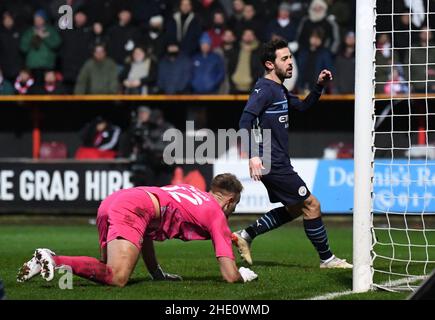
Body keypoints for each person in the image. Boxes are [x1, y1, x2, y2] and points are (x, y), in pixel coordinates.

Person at [232, 39, 352, 269]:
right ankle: (327, 259)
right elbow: (244, 121)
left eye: (290, 58)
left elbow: (304, 107)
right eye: (284, 59)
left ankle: (246, 235)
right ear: (269, 64)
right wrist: (254, 155)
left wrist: (318, 86)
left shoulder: (279, 89)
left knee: (296, 208)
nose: (290, 63)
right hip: (271, 161)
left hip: (276, 161)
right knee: (312, 205)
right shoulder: (264, 89)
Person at [17, 174, 258, 286]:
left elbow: (147, 230)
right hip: (132, 208)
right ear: (229, 201)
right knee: (117, 277)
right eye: (233, 207)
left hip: (116, 200)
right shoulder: (216, 214)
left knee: (103, 270)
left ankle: (45, 260)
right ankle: (54, 259)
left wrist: (156, 273)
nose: (232, 212)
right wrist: (241, 275)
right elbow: (228, 275)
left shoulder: (191, 191)